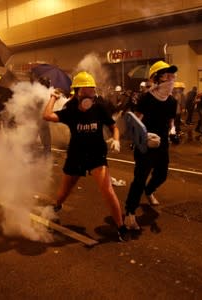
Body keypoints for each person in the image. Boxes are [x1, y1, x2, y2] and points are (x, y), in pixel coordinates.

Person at [43, 71, 128, 242]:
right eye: (85, 91)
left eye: (92, 91)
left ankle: (121, 226)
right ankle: (57, 206)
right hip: (76, 155)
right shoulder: (70, 110)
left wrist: (116, 140)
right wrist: (52, 97)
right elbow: (47, 115)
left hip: (97, 155)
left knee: (108, 190)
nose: (89, 95)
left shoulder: (99, 108)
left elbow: (114, 127)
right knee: (65, 191)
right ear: (76, 92)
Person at [124, 60, 178, 230]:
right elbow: (135, 121)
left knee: (162, 174)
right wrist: (139, 138)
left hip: (162, 144)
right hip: (146, 144)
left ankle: (149, 191)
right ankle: (130, 213)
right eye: (166, 75)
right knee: (139, 178)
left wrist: (173, 131)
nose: (171, 79)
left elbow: (170, 121)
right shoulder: (146, 99)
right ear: (155, 79)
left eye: (172, 75)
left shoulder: (171, 102)